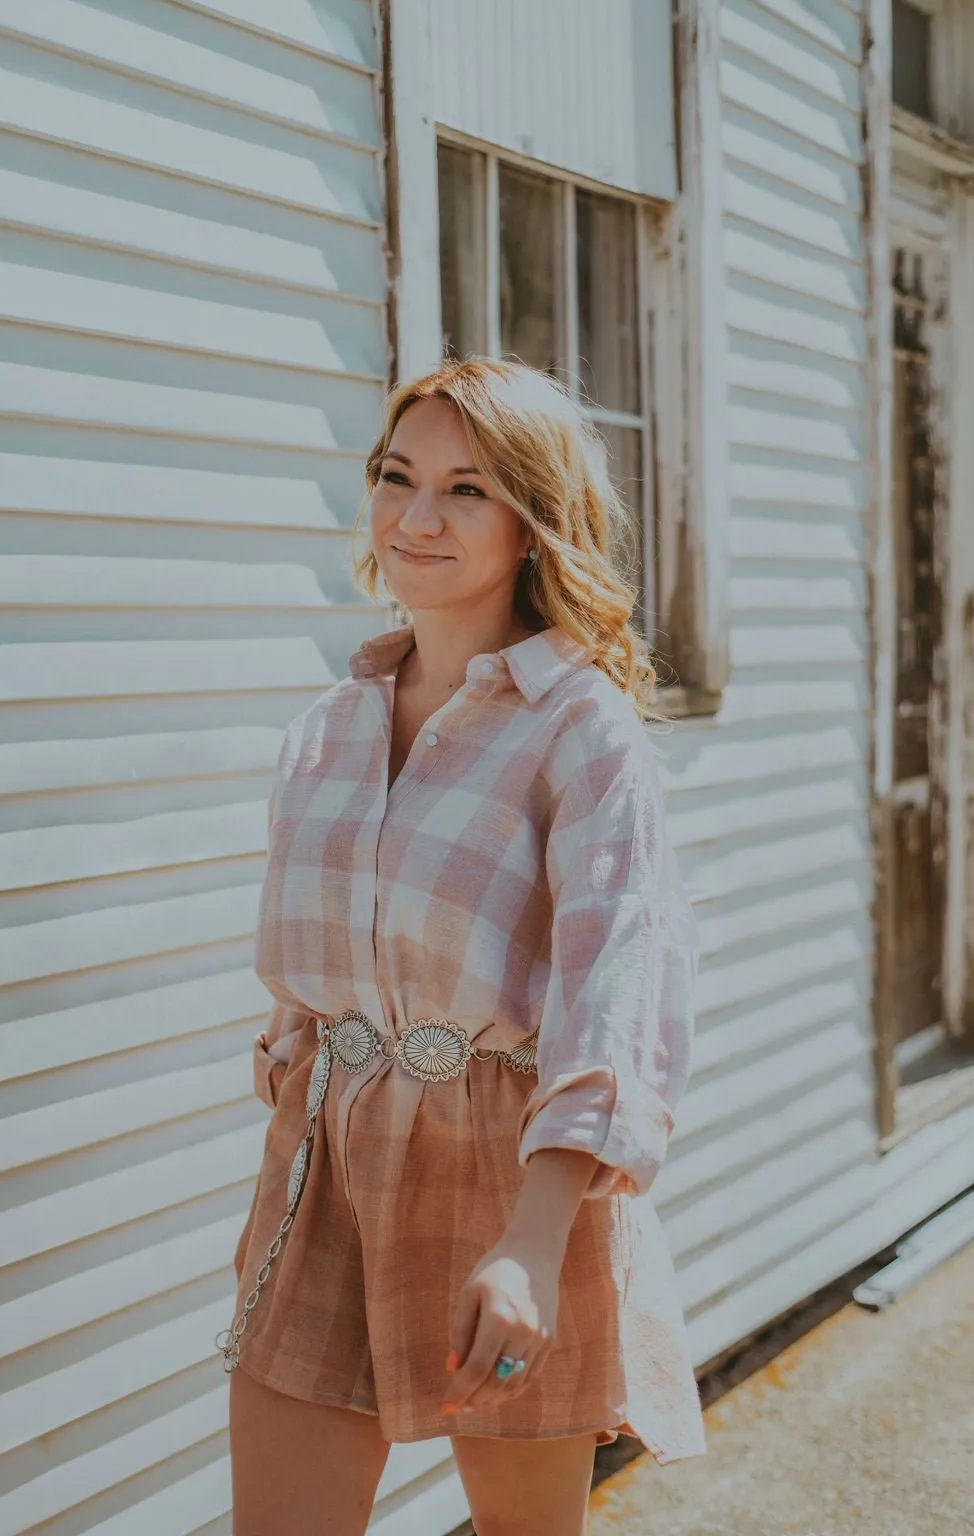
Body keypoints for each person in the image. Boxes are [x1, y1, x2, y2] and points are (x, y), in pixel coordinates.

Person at [220, 359, 705, 1536]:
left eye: (465, 490)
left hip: (507, 1180)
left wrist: (534, 1245)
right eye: (396, 478)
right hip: (325, 1166)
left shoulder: (577, 729)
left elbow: (614, 990)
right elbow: (300, 982)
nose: (414, 517)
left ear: (534, 521)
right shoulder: (326, 731)